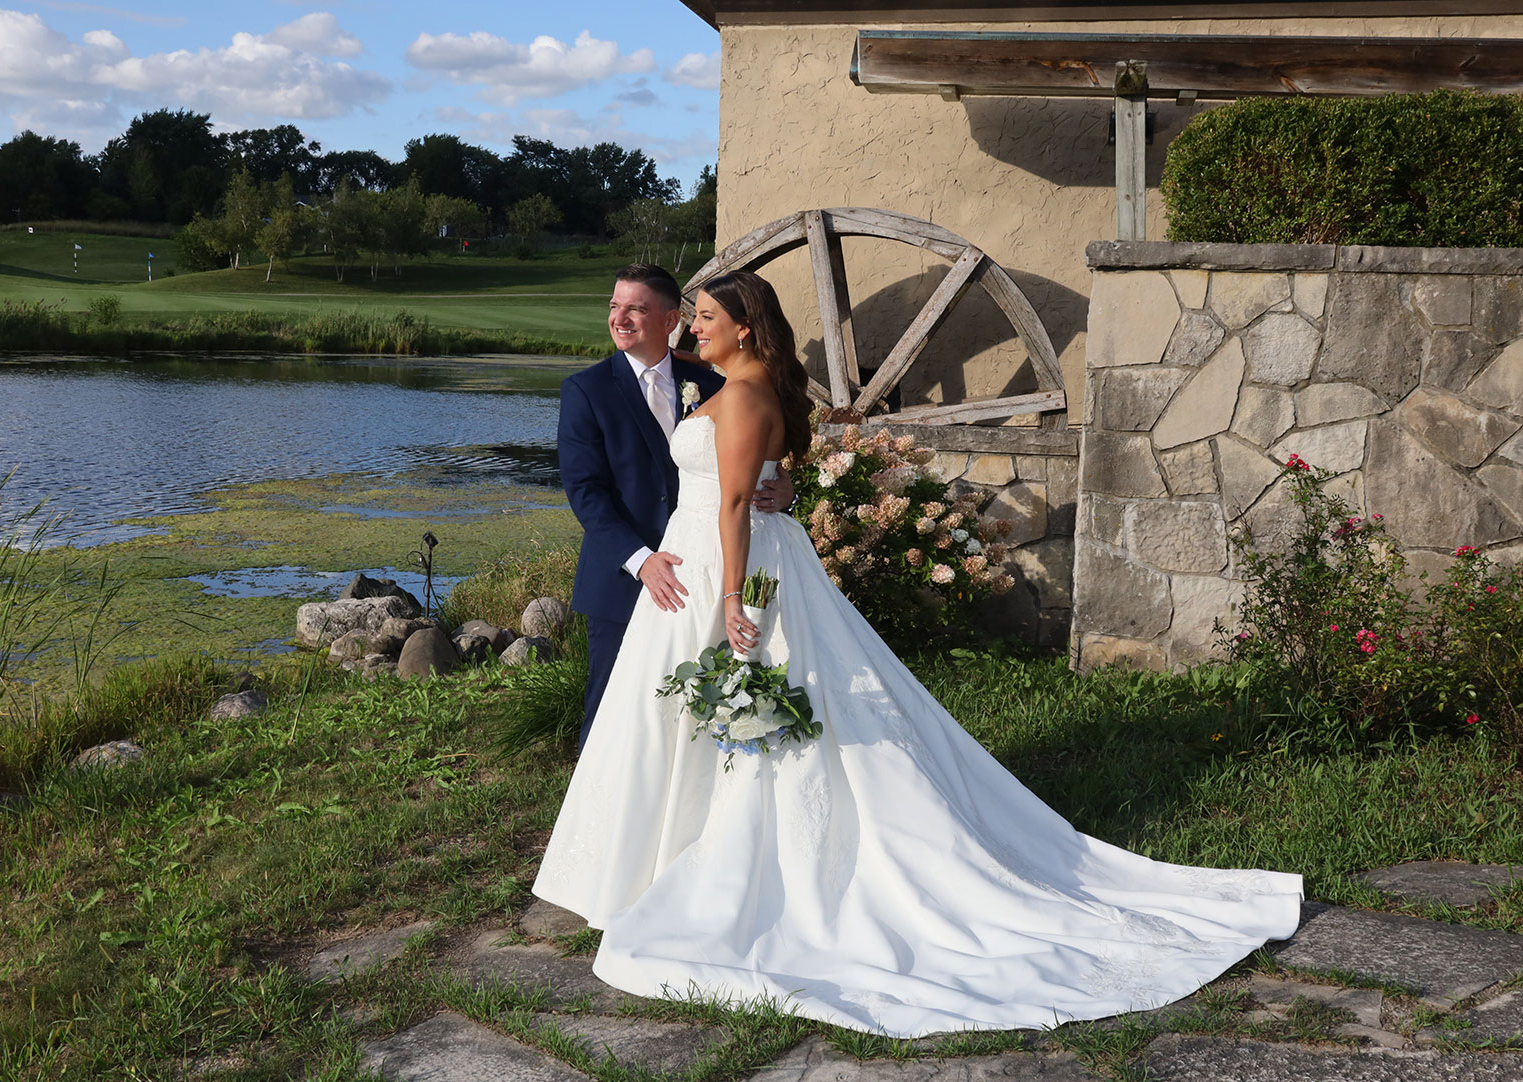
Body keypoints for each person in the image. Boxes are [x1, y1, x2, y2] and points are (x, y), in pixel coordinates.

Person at [535, 270, 1303, 1038]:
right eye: (692, 316)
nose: (691, 328)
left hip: (720, 565)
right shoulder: (739, 382)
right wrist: (783, 489)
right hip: (694, 556)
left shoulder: (735, 390)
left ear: (743, 326)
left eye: (703, 317)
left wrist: (733, 596)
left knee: (734, 711)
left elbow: (735, 498)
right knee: (675, 715)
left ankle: (708, 870)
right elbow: (758, 472)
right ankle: (649, 861)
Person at [558, 263, 793, 746]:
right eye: (614, 306)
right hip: (626, 574)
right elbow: (585, 492)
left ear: (670, 321)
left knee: (694, 709)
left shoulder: (713, 378)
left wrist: (783, 486)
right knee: (613, 707)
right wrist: (642, 562)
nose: (620, 318)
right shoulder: (586, 389)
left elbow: (750, 455)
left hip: (707, 570)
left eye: (636, 309)